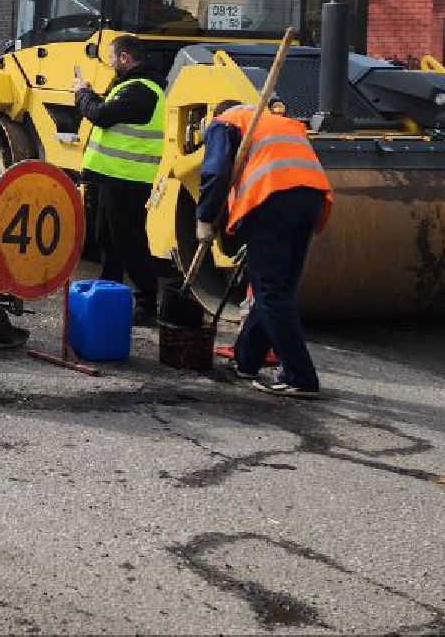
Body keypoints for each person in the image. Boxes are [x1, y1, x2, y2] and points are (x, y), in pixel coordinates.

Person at [196, 101, 333, 398]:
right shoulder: (276, 121)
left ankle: (300, 376)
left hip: (271, 198)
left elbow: (216, 172)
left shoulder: (224, 122)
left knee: (270, 290)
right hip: (311, 198)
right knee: (277, 288)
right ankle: (247, 360)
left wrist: (205, 217)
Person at [73, 34, 183, 327]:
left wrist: (82, 93)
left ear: (124, 58)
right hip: (114, 177)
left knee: (129, 243)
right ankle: (108, 290)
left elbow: (100, 115)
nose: (109, 64)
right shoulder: (130, 88)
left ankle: (146, 303)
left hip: (127, 180)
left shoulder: (142, 90)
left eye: (111, 58)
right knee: (107, 239)